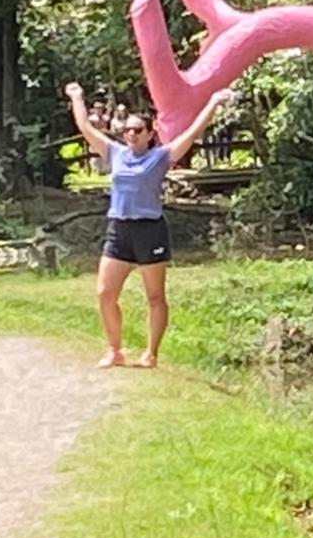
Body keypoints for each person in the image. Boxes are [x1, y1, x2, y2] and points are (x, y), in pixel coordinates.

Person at [65, 81, 236, 369]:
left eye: (137, 130)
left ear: (149, 133)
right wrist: (77, 97)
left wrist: (214, 103)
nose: (130, 134)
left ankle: (151, 354)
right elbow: (85, 127)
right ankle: (114, 350)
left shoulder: (160, 157)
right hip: (119, 229)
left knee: (155, 296)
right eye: (127, 130)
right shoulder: (116, 153)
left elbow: (192, 133)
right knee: (105, 293)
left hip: (149, 230)